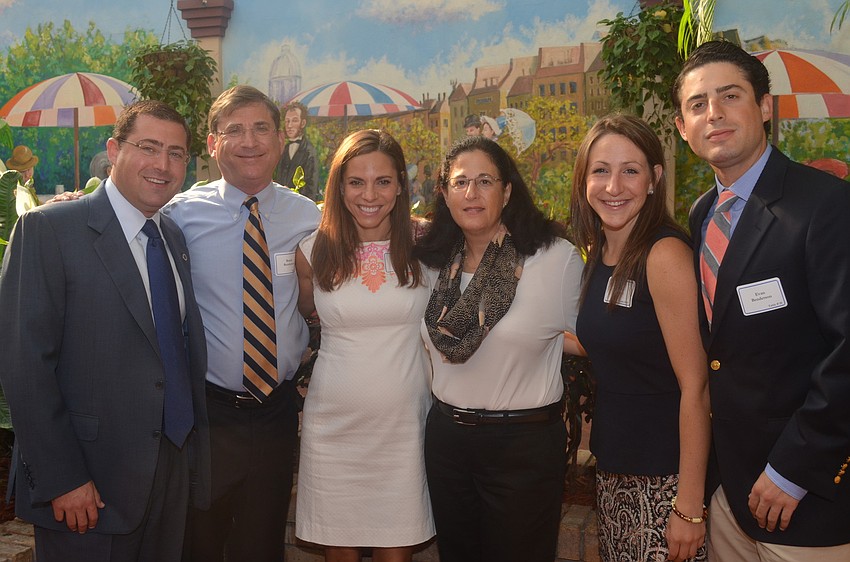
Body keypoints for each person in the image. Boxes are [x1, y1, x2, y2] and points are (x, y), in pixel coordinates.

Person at [0, 100, 210, 561]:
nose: (163, 164)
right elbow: (24, 365)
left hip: (169, 475)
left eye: (177, 153)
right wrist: (63, 478)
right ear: (114, 150)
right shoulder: (48, 230)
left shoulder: (171, 236)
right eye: (149, 147)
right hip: (86, 490)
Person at [674, 40, 850, 560]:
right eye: (698, 104)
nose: (715, 114)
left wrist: (794, 469)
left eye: (730, 95)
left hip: (804, 498)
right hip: (730, 497)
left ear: (765, 107)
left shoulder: (825, 205)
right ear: (683, 128)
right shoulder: (702, 213)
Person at [162, 85, 321, 562]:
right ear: (213, 144)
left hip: (276, 411)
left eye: (261, 128)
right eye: (235, 130)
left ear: (279, 138)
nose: (249, 141)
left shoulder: (308, 216)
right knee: (199, 542)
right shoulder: (179, 217)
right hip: (207, 414)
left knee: (262, 543)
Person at [413, 136, 583, 562]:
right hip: (448, 441)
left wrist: (545, 339)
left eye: (485, 181)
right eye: (460, 182)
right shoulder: (430, 262)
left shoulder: (552, 258)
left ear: (507, 192)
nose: (472, 193)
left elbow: (595, 340)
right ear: (444, 193)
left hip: (522, 446)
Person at [568, 114, 710, 562]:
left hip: (664, 479)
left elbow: (697, 385)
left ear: (654, 179)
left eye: (630, 170)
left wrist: (688, 506)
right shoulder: (604, 251)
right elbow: (620, 344)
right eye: (600, 170)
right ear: (583, 180)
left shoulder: (664, 254)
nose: (614, 186)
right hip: (616, 470)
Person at [294, 129, 435, 561]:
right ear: (339, 185)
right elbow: (301, 320)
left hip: (405, 427)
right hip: (334, 426)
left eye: (383, 181)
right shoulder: (311, 251)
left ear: (400, 185)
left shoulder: (429, 246)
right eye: (356, 181)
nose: (369, 194)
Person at [274, 101, 319, 201]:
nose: (289, 126)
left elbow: (311, 187)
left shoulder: (309, 151)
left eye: (294, 120)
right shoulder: (283, 150)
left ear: (302, 123)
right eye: (287, 121)